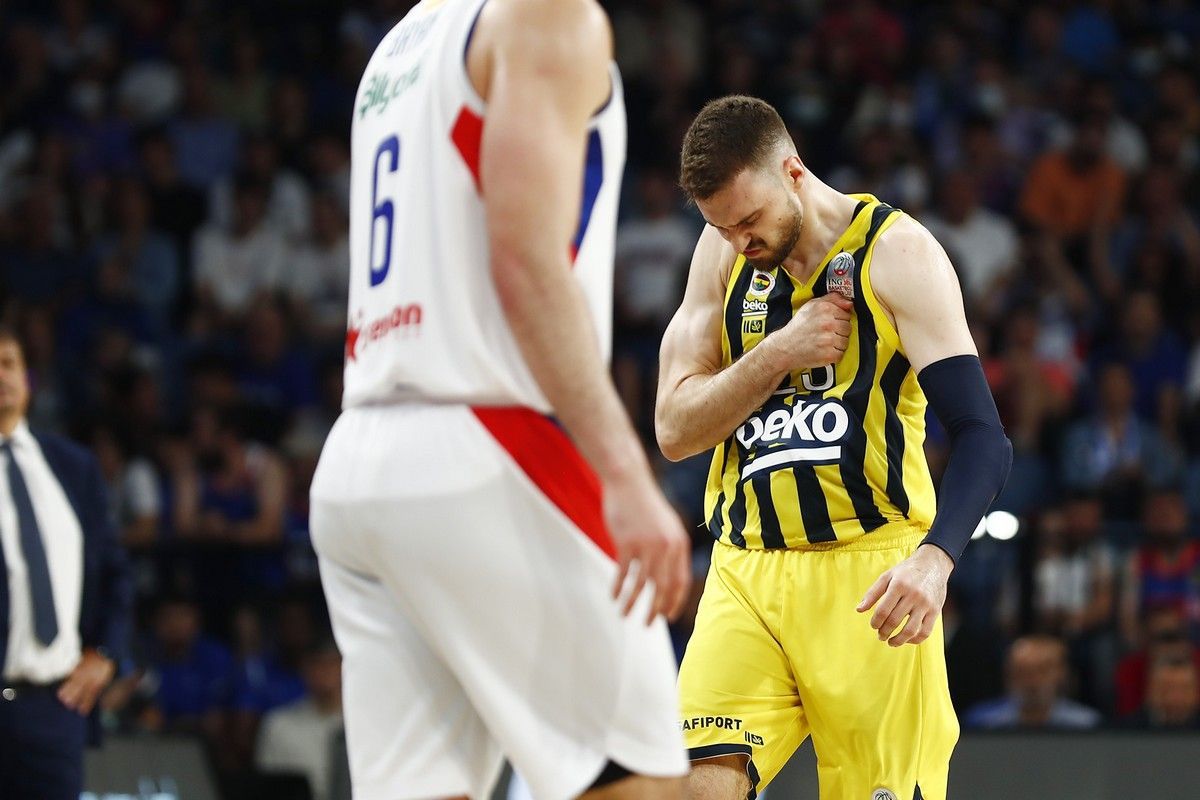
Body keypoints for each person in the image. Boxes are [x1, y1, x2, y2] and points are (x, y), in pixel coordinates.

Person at [308, 2, 690, 799]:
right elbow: (525, 264)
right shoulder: (550, 16)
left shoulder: (402, 44)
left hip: (361, 456)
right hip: (488, 442)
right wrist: (623, 472)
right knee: (641, 782)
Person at [656, 95, 1012, 799]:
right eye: (721, 227)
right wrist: (779, 353)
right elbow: (674, 429)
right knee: (691, 786)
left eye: (749, 221)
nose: (739, 242)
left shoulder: (899, 253)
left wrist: (936, 560)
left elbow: (983, 436)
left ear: (792, 171)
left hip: (870, 572)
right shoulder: (720, 253)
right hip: (746, 570)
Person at [0, 325, 132, 800]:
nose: (1, 376)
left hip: (55, 706)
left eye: (9, 363)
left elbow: (115, 573)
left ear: (28, 379)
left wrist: (107, 653)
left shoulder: (72, 465)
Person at [963, 635, 1101, 730]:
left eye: (1042, 670)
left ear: (1062, 674)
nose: (1032, 682)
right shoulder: (982, 723)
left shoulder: (1087, 725)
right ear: (1008, 674)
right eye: (1022, 671)